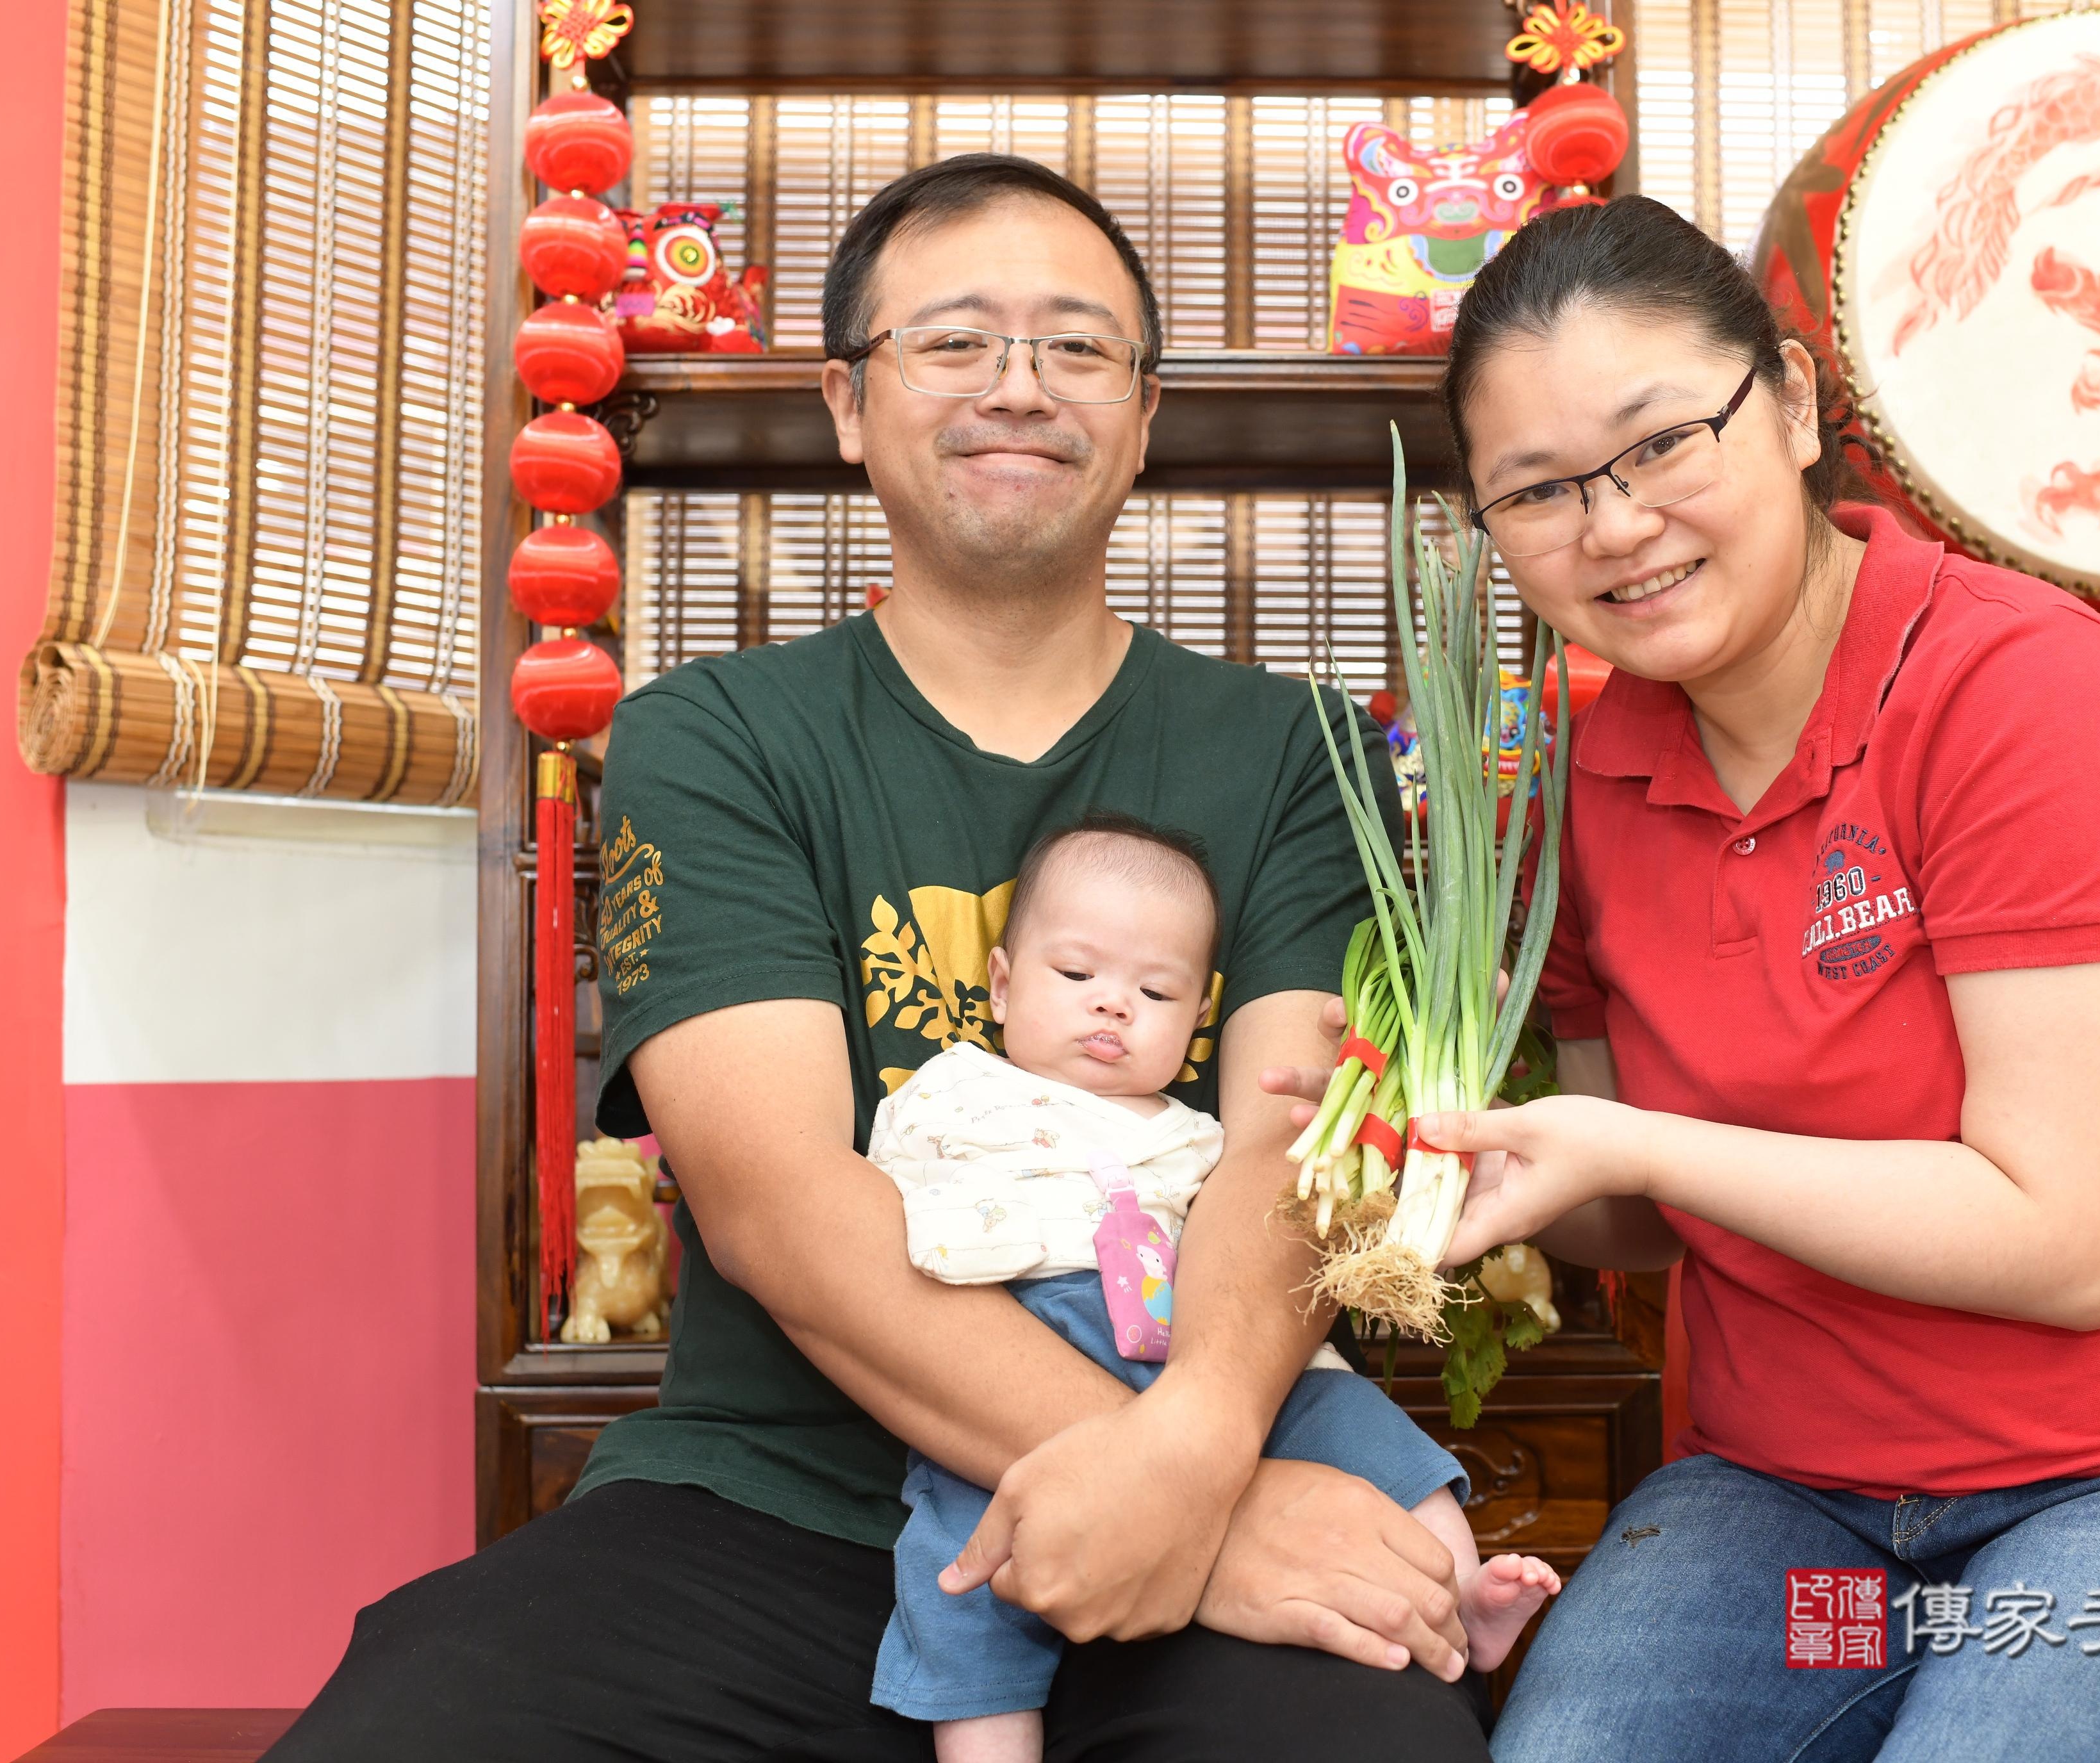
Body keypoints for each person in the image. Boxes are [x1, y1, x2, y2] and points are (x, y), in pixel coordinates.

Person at [268, 156, 1492, 1763]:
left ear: (1144, 414)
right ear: (847, 401)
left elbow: (1292, 1145)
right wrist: (1211, 1501)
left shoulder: (1293, 750)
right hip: (779, 1500)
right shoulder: (715, 737)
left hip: (1212, 1456)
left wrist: (1194, 1459)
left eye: (1077, 348)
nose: (1019, 388)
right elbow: (783, 1206)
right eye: (956, 342)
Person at [1274, 194, 2100, 1762]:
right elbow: (1635, 1216)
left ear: (1795, 404)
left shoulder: (2019, 692)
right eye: (1536, 491)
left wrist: (1636, 1149)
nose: (1613, 525)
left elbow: (2067, 1238)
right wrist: (1448, 1145)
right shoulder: (1598, 776)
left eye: (1662, 442)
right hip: (1802, 1519)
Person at [869, 812, 1557, 1763]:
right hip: (1036, 1333)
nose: (1112, 1007)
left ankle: (1456, 1596)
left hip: (1206, 1341)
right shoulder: (944, 1095)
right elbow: (880, 1235)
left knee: (1376, 1440)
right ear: (1000, 984)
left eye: (1154, 991)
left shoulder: (1200, 1139)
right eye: (1077, 977)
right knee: (960, 1562)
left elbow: (1265, 1234)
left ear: (1199, 1021)